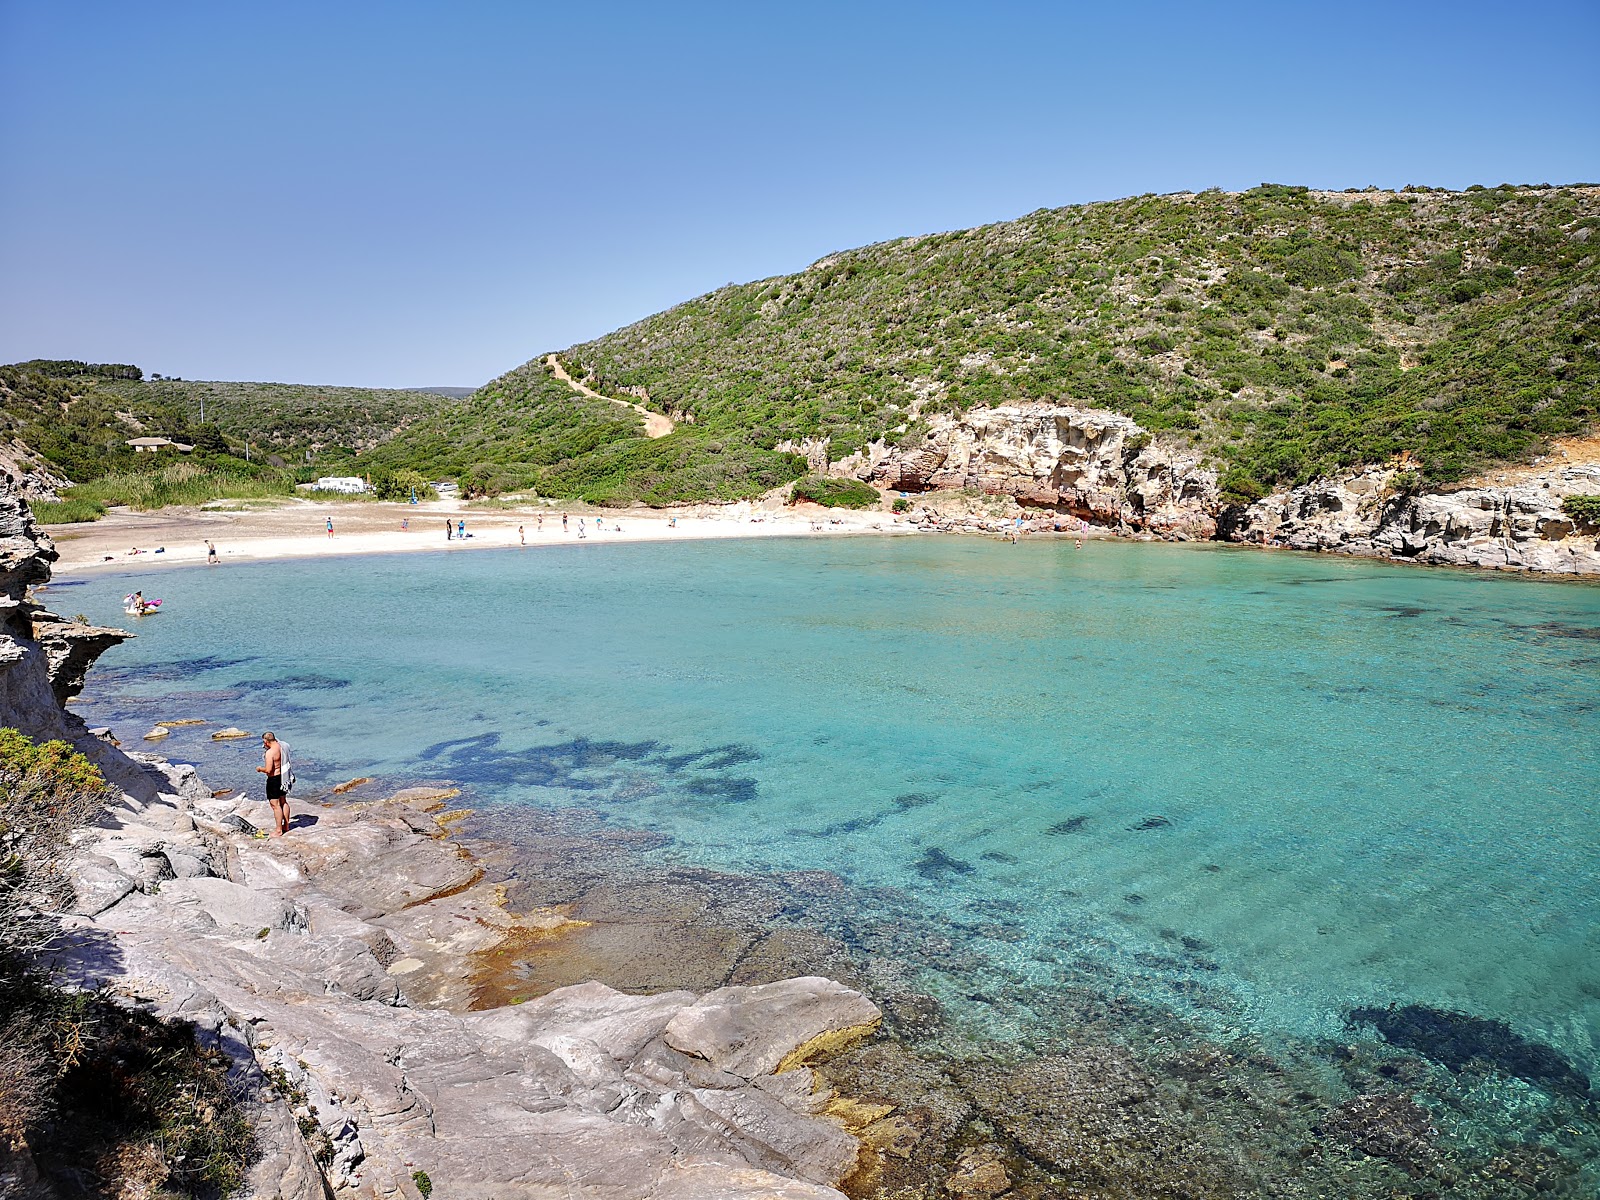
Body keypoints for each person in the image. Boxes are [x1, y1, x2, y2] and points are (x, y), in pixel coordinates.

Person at [256, 731, 290, 837]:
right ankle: (286, 826)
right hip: (283, 777)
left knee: (275, 805)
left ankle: (278, 830)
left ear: (266, 741)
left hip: (274, 780)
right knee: (283, 801)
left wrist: (260, 769)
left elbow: (269, 770)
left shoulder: (270, 753)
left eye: (264, 742)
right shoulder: (282, 746)